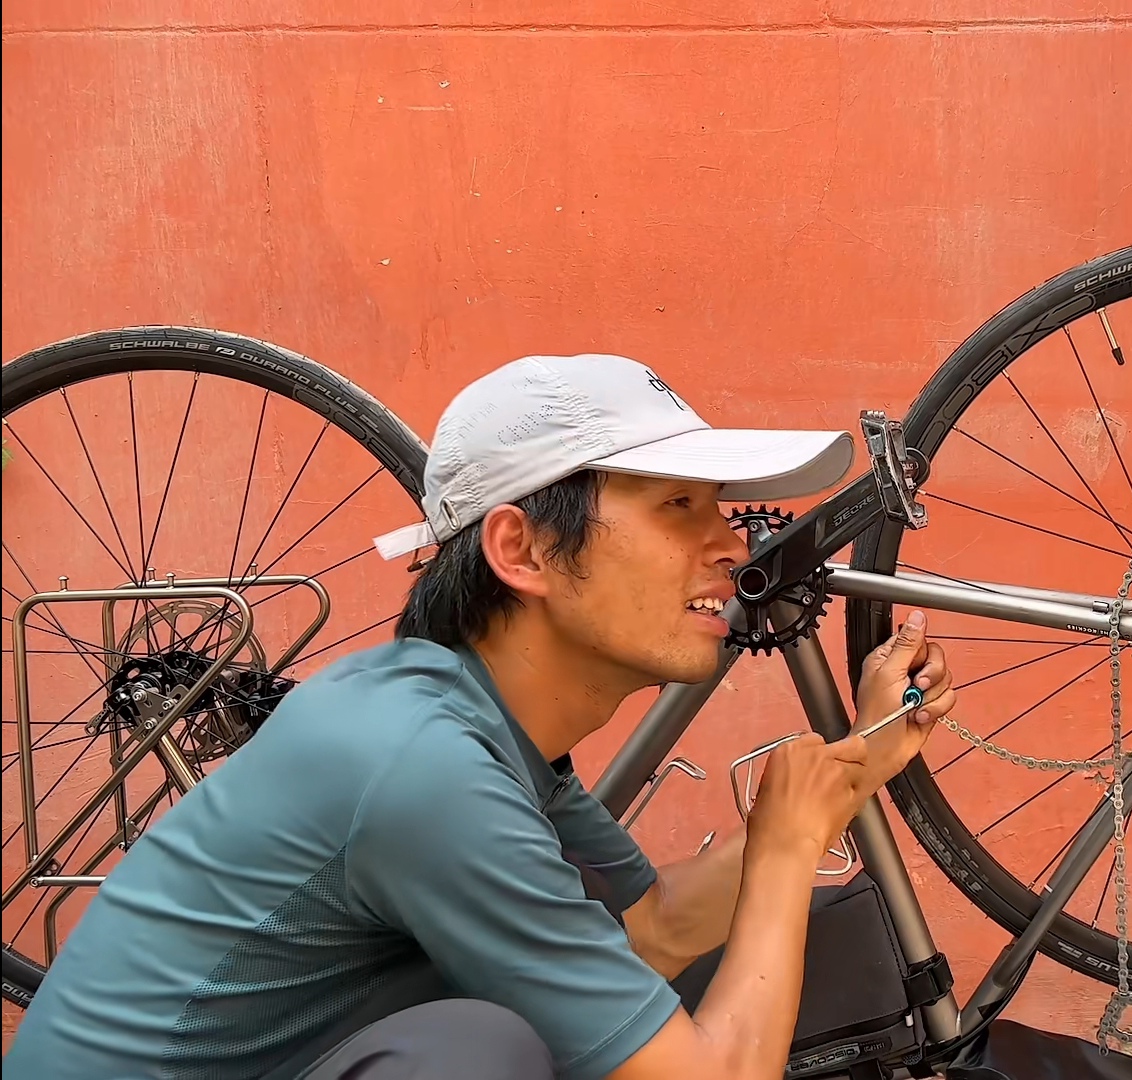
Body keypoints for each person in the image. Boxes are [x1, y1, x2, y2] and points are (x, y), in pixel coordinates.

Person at [6, 353, 958, 1080]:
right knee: (474, 1054)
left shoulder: (477, 729)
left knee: (785, 934)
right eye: (679, 506)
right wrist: (785, 849)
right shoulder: (419, 765)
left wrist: (855, 766)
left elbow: (651, 929)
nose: (729, 542)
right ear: (523, 550)